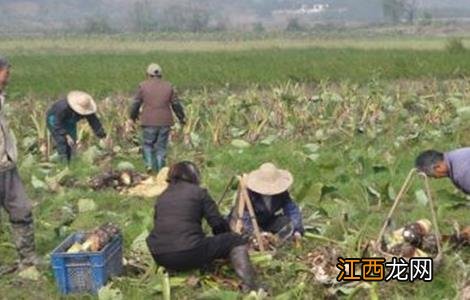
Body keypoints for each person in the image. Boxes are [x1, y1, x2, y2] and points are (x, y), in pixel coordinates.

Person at [146, 161, 259, 292]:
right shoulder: (199, 192)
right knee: (235, 240)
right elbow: (216, 222)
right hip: (187, 252)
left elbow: (162, 225)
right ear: (193, 176)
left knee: (192, 244)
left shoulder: (162, 196)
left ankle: (176, 268)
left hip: (159, 255)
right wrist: (226, 239)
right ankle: (250, 286)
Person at [0, 57, 38, 271]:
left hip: (7, 167)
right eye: (6, 73)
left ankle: (28, 259)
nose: (8, 78)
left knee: (21, 209)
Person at [127, 63, 186, 173]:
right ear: (161, 75)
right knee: (161, 147)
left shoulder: (142, 86)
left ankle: (149, 165)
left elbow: (136, 103)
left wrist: (131, 118)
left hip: (148, 121)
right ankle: (160, 170)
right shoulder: (169, 86)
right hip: (165, 121)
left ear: (148, 75)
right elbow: (176, 104)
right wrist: (181, 118)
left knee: (148, 145)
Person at [233, 163, 304, 243]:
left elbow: (292, 210)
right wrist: (256, 233)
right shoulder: (250, 194)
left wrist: (297, 230)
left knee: (286, 222)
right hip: (251, 223)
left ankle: (275, 239)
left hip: (268, 221)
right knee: (245, 235)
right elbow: (245, 217)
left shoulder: (281, 193)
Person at [46, 91, 107, 162]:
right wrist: (66, 135)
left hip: (69, 121)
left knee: (72, 143)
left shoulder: (87, 107)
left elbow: (94, 122)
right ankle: (63, 163)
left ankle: (72, 162)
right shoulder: (62, 107)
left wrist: (102, 136)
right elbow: (56, 122)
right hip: (55, 120)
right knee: (62, 140)